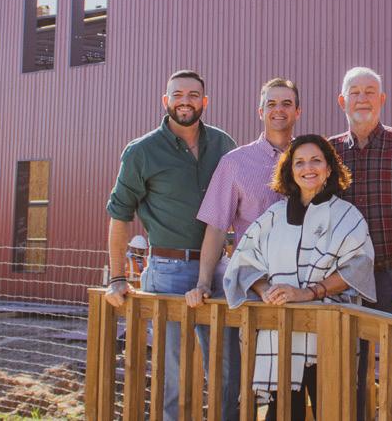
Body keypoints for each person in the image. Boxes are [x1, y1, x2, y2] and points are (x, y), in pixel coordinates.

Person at [105, 69, 236, 421]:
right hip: (168, 272)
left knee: (227, 368)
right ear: (166, 101)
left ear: (204, 101)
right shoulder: (142, 151)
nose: (185, 102)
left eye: (193, 95)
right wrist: (117, 278)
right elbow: (119, 215)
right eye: (177, 95)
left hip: (218, 271)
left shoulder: (223, 145)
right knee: (174, 372)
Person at [225, 134, 375, 421]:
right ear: (289, 170)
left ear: (329, 168)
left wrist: (309, 293)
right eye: (300, 162)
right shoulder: (274, 216)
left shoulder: (347, 215)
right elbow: (244, 260)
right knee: (282, 414)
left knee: (335, 413)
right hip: (280, 337)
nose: (308, 168)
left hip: (330, 335)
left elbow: (358, 266)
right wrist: (266, 290)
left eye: (316, 160)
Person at [185, 77, 301, 419]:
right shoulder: (235, 163)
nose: (279, 110)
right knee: (238, 384)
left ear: (298, 111)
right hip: (251, 289)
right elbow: (216, 227)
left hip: (300, 289)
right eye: (271, 104)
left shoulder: (311, 159)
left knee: (290, 384)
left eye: (286, 103)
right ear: (260, 111)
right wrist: (204, 282)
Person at [329, 67, 392, 421]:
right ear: (342, 101)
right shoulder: (329, 152)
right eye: (355, 92)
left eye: (370, 91)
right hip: (345, 281)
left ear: (382, 99)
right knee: (349, 379)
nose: (363, 98)